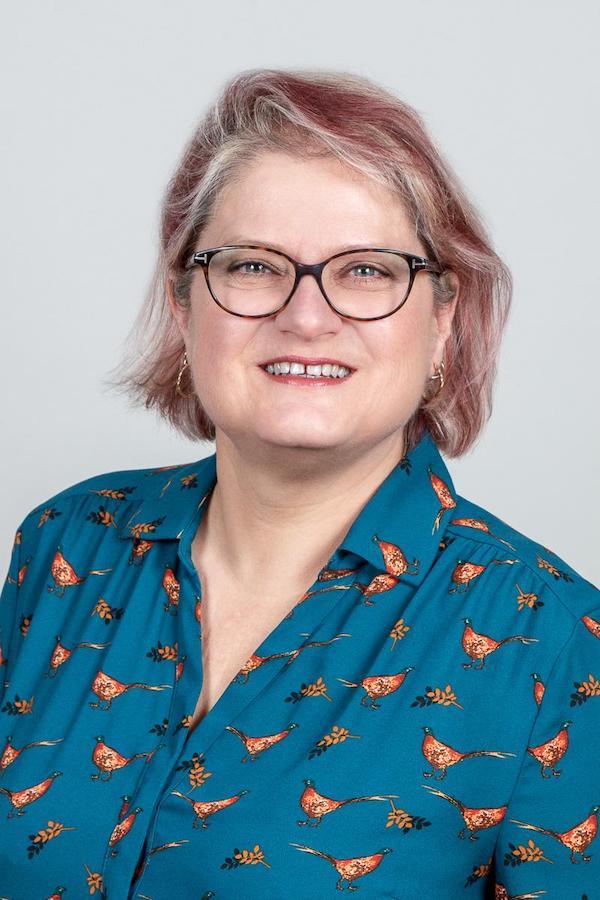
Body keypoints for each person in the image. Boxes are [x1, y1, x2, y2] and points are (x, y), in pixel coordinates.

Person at [1, 68, 598, 900]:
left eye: (365, 271)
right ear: (183, 308)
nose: (307, 315)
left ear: (442, 324)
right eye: (253, 266)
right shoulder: (66, 546)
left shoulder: (554, 639)